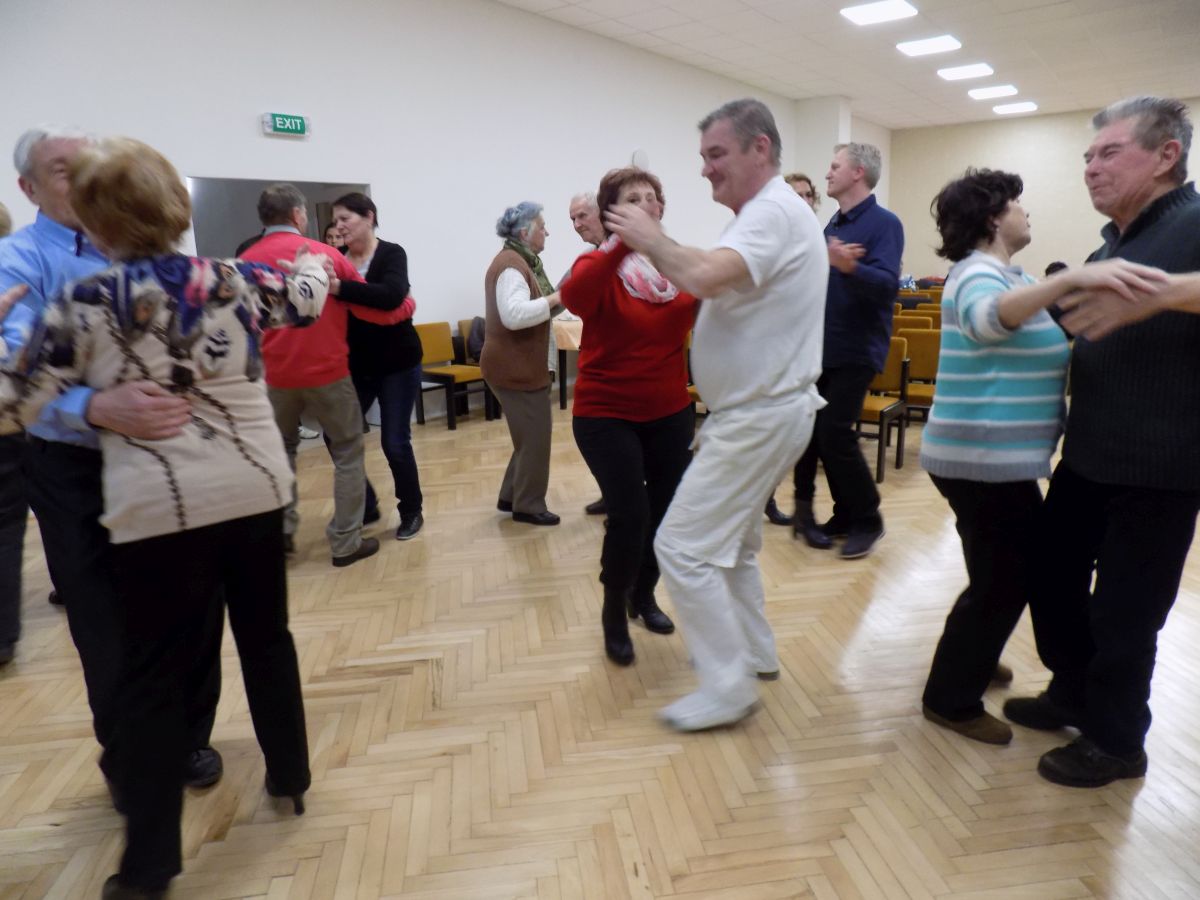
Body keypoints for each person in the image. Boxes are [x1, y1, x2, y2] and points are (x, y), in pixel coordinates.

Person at [0, 137, 318, 898]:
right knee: (267, 638)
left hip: (160, 510)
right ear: (175, 210)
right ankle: (291, 774)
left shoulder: (84, 303)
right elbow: (307, 298)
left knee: (150, 677)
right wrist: (312, 260)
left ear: (98, 223)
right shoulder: (235, 279)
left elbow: (12, 405)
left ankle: (149, 868)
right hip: (252, 492)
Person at [0, 126, 222, 786]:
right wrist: (93, 406)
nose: (85, 179)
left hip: (171, 454)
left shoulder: (157, 254)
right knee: (105, 620)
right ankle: (132, 756)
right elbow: (13, 369)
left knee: (192, 604)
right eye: (63, 170)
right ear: (29, 189)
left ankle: (190, 739)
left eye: (93, 164)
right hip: (75, 466)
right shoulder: (19, 261)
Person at [917, 168, 1161, 745]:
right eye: (1016, 204)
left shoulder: (1014, 275)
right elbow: (987, 321)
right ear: (992, 217)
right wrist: (1073, 277)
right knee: (1006, 579)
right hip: (980, 461)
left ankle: (973, 656)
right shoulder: (975, 273)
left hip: (995, 459)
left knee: (997, 572)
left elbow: (1041, 324)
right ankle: (950, 698)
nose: (1026, 212)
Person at [606, 98, 827, 731]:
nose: (705, 169)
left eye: (716, 154)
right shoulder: (766, 214)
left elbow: (704, 275)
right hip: (760, 411)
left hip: (761, 413)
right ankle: (754, 654)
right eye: (702, 156)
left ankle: (728, 687)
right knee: (733, 546)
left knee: (681, 546)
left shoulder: (773, 211)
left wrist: (650, 238)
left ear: (761, 148)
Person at [1003, 96, 1200, 788]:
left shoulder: (1194, 223)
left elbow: (1153, 300)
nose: (1091, 167)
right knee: (1050, 575)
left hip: (1162, 467)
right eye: (1088, 156)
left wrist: (1161, 294)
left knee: (1125, 612)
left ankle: (1117, 742)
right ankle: (1073, 692)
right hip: (1089, 456)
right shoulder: (1108, 245)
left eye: (1109, 152)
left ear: (1167, 156)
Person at [561, 167, 696, 665]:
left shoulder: (679, 264)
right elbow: (575, 297)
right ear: (612, 213)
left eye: (649, 197)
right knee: (630, 515)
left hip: (669, 411)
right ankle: (613, 609)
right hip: (605, 414)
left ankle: (644, 593)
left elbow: (713, 308)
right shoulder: (595, 263)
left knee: (666, 513)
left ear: (661, 207)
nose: (643, 204)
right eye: (630, 199)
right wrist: (623, 244)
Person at [240, 184, 387, 566]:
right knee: (348, 453)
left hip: (275, 377)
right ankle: (345, 542)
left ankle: (282, 537)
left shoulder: (245, 261)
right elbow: (365, 301)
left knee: (280, 455)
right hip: (329, 371)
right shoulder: (325, 255)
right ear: (297, 215)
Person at [790, 142, 903, 559]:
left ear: (858, 172)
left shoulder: (884, 223)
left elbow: (888, 285)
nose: (828, 173)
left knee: (835, 433)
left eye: (835, 166)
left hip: (857, 346)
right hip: (824, 346)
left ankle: (869, 518)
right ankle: (845, 514)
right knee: (821, 435)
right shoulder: (833, 224)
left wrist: (849, 265)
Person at [329, 192, 425, 541]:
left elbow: (391, 296)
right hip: (358, 366)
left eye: (345, 218)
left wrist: (340, 288)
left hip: (399, 363)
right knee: (337, 435)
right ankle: (367, 503)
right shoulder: (337, 259)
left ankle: (411, 510)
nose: (339, 226)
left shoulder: (391, 253)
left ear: (369, 217)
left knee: (395, 443)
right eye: (336, 220)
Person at [481, 202, 562, 526]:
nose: (547, 232)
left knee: (528, 437)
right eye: (542, 226)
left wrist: (563, 294)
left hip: (515, 366)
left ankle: (510, 494)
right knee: (536, 439)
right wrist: (558, 297)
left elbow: (536, 307)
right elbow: (514, 316)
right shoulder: (512, 265)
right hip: (515, 369)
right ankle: (528, 505)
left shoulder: (518, 261)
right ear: (526, 232)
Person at [765, 171, 823, 527]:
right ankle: (763, 497)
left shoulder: (820, 240)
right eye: (794, 194)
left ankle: (791, 502)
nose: (801, 200)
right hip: (775, 351)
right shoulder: (773, 239)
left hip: (809, 350)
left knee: (795, 438)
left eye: (806, 195)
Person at [566, 190, 607, 517]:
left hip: (629, 364)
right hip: (600, 362)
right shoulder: (589, 258)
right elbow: (565, 295)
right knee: (590, 430)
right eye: (572, 219)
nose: (577, 224)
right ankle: (613, 491)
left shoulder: (635, 253)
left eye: (582, 216)